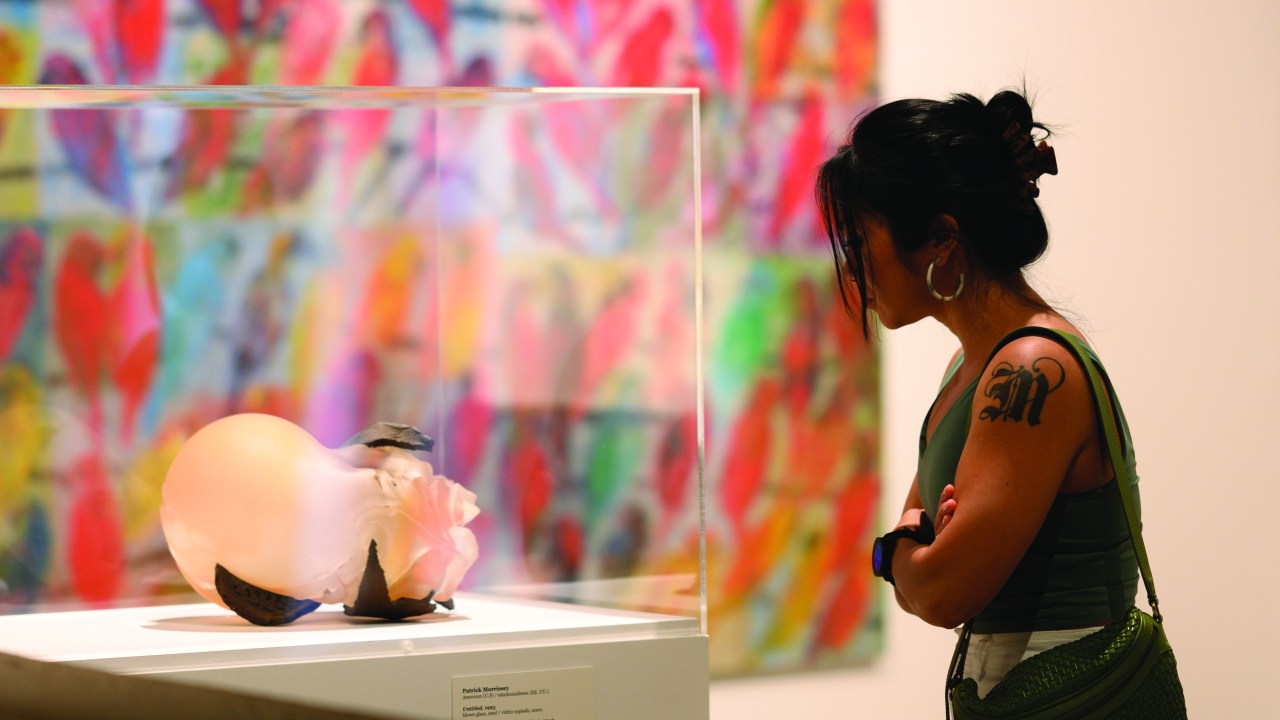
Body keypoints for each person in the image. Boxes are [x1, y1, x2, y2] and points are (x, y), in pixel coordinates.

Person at [815, 89, 1142, 699]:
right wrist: (904, 553)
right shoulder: (970, 367)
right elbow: (911, 551)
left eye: (861, 242)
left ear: (941, 238)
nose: (853, 267)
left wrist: (900, 554)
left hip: (1064, 701)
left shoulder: (1031, 367)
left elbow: (939, 590)